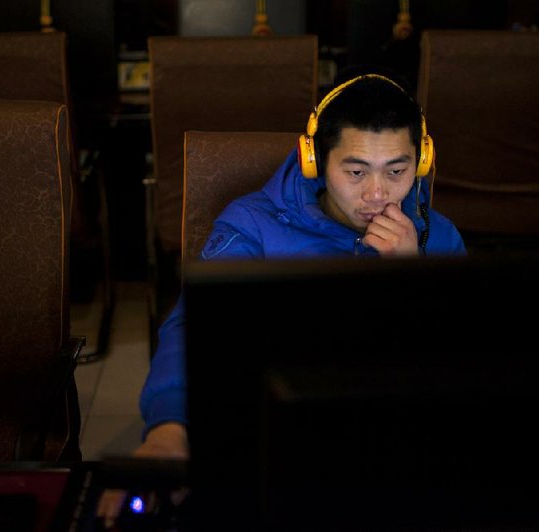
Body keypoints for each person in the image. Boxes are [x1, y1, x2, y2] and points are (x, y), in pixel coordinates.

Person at [96, 68, 467, 525]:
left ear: (422, 161)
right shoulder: (251, 226)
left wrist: (409, 282)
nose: (377, 193)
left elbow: (464, 367)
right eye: (355, 171)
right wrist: (170, 429)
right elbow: (198, 330)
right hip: (273, 444)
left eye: (397, 170)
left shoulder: (438, 236)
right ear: (314, 160)